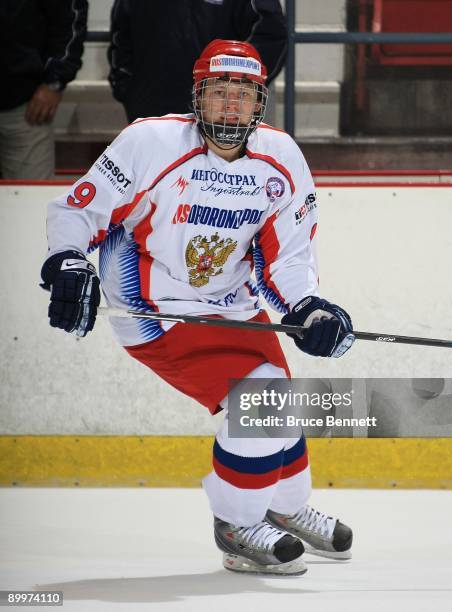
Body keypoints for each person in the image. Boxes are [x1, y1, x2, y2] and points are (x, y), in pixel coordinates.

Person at [41, 39, 355, 576]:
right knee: (260, 401)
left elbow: (290, 254)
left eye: (244, 93)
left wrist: (309, 308)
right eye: (219, 91)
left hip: (234, 306)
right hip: (156, 308)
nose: (231, 105)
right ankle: (236, 526)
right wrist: (68, 262)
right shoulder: (150, 141)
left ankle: (285, 507)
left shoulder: (281, 158)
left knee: (283, 406)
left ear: (261, 101)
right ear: (198, 95)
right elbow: (78, 211)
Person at [107, 0, 287, 122]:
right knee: (148, 177)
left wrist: (240, 93)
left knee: (216, 177)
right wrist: (126, 89)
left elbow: (271, 36)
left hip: (220, 117)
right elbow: (121, 33)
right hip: (148, 110)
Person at [0, 0, 88, 180]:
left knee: (30, 198)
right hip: (24, 98)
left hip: (25, 107)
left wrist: (54, 82)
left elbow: (69, 19)